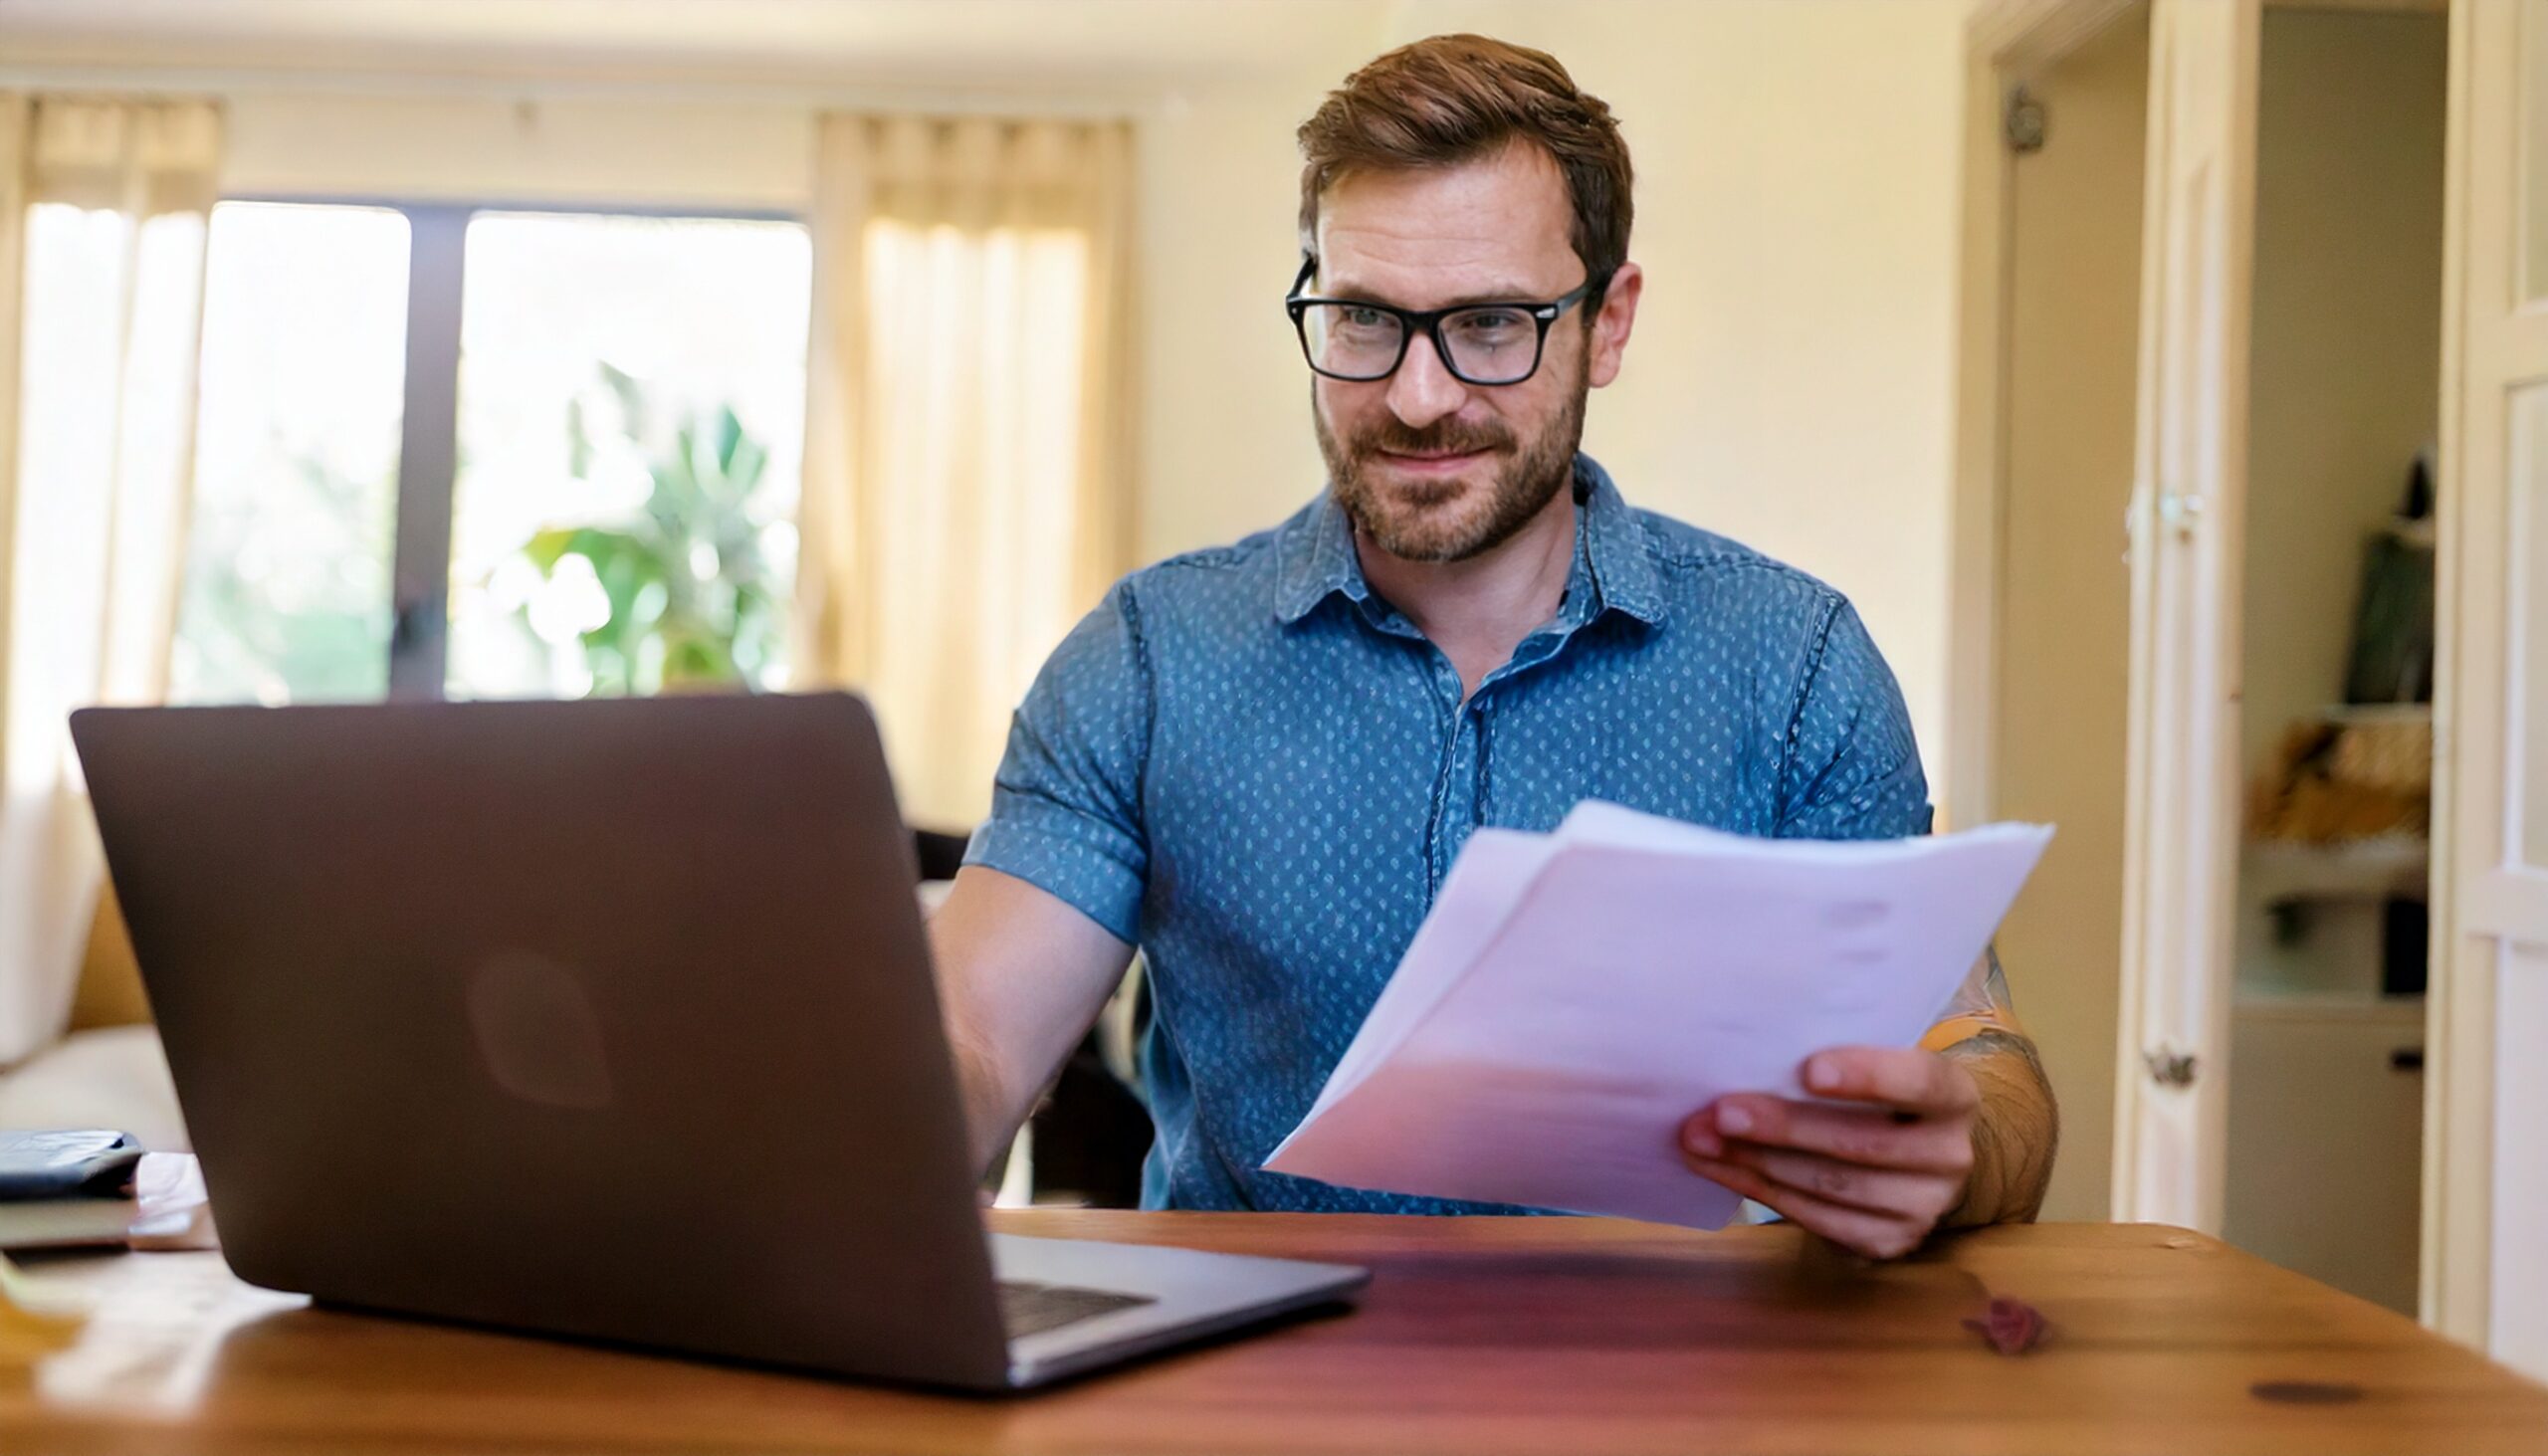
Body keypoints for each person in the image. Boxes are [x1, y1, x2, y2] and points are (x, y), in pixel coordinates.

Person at [927, 33, 2055, 1259]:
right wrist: (884, 1106)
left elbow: (1980, 1057)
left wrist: (1953, 1146)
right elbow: (973, 1032)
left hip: (1676, 1355)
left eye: (1489, 322)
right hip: (1239, 1360)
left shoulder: (1792, 666)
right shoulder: (1147, 661)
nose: (1418, 396)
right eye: (1363, 317)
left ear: (1606, 325)